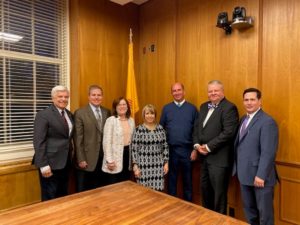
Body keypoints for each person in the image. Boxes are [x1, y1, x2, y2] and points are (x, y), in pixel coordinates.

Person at [232, 88, 279, 225]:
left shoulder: (267, 121)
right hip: (245, 175)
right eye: (246, 100)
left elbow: (268, 152)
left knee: (265, 216)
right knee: (250, 213)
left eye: (252, 99)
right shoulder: (243, 119)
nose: (249, 103)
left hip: (260, 178)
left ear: (260, 101)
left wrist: (261, 175)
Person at [193, 80, 239, 214]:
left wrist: (208, 147)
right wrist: (196, 145)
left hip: (219, 160)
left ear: (222, 92)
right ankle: (208, 219)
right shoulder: (203, 106)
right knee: (205, 191)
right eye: (210, 91)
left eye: (216, 91)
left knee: (219, 194)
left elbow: (228, 133)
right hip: (203, 159)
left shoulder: (229, 107)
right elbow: (197, 128)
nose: (213, 93)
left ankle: (220, 221)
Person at [33, 85, 74, 201]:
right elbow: (38, 141)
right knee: (49, 197)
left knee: (62, 195)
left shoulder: (69, 114)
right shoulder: (43, 115)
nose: (63, 99)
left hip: (65, 163)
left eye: (66, 97)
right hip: (49, 164)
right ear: (53, 98)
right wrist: (43, 165)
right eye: (60, 96)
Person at [160, 82, 198, 201]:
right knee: (171, 180)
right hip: (171, 151)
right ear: (171, 93)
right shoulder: (166, 109)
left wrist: (195, 149)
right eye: (174, 91)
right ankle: (171, 205)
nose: (177, 93)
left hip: (187, 151)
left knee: (188, 181)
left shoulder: (192, 108)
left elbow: (197, 131)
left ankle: (189, 207)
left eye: (179, 90)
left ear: (184, 91)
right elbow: (161, 130)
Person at [74, 85, 111, 192]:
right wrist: (81, 159)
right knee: (84, 192)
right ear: (89, 97)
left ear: (102, 97)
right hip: (87, 159)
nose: (96, 97)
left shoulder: (106, 112)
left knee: (100, 190)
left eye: (99, 95)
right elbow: (78, 138)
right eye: (94, 95)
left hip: (103, 158)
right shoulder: (80, 113)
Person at [131, 104, 169, 191]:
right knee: (143, 191)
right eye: (147, 113)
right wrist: (135, 166)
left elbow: (165, 146)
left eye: (152, 113)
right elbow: (134, 149)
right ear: (143, 115)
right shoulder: (138, 130)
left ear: (155, 115)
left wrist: (166, 163)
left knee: (157, 192)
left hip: (158, 165)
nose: (149, 116)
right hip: (143, 166)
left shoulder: (160, 129)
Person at [102, 97, 135, 184]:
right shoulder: (111, 120)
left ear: (127, 107)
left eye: (124, 104)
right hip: (114, 158)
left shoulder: (131, 121)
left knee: (125, 184)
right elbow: (106, 142)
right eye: (119, 104)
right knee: (114, 186)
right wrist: (109, 160)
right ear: (115, 107)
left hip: (128, 157)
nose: (122, 106)